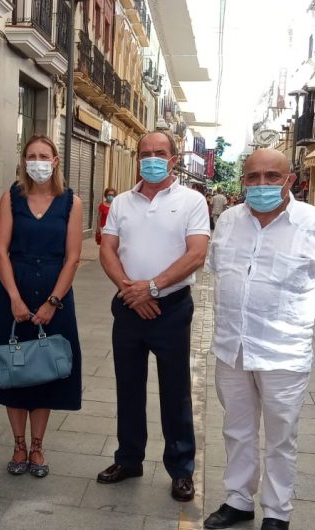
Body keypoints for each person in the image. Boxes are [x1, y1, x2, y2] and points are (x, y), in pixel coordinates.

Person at [203, 149, 315, 530]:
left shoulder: (314, 224)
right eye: (253, 177)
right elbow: (218, 272)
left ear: (290, 180)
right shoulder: (229, 221)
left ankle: (277, 512)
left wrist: (297, 318)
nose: (261, 184)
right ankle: (238, 500)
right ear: (243, 180)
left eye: (271, 176)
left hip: (284, 350)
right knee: (237, 428)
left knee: (282, 436)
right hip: (232, 346)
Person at [96, 130, 210, 503]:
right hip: (129, 305)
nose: (152, 159)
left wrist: (153, 288)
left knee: (175, 391)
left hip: (171, 309)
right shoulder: (121, 202)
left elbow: (197, 254)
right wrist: (131, 291)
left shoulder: (192, 201)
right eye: (145, 153)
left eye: (160, 153)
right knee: (128, 387)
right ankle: (128, 459)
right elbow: (108, 249)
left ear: (174, 159)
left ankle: (181, 469)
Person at [0, 134, 83, 478]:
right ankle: (18, 444)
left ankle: (37, 446)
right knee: (13, 367)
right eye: (31, 155)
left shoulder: (71, 202)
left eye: (44, 156)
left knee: (47, 369)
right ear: (23, 162)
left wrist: (53, 302)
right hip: (13, 290)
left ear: (55, 161)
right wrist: (14, 298)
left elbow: (73, 258)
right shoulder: (11, 197)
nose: (37, 162)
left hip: (55, 291)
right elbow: (0, 251)